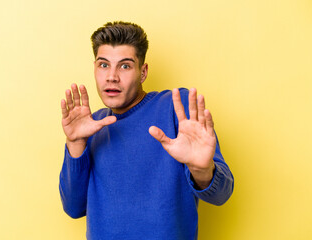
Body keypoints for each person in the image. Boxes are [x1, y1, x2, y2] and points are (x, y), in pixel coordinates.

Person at [59, 21, 234, 240]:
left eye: (125, 66)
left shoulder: (175, 108)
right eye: (104, 65)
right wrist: (75, 143)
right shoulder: (91, 125)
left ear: (143, 72)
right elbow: (74, 208)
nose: (112, 76)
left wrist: (202, 170)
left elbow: (221, 194)